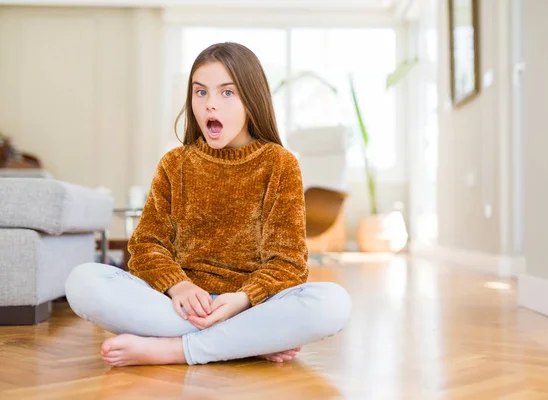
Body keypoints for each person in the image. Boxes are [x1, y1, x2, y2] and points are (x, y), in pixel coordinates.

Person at [65, 42, 352, 367]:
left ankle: (176, 350)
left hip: (250, 305)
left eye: (226, 93)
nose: (210, 105)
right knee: (82, 280)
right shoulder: (175, 163)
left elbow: (288, 262)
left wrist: (242, 300)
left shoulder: (279, 164)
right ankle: (245, 342)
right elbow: (146, 247)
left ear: (251, 98)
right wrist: (179, 287)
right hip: (180, 306)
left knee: (333, 304)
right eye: (200, 92)